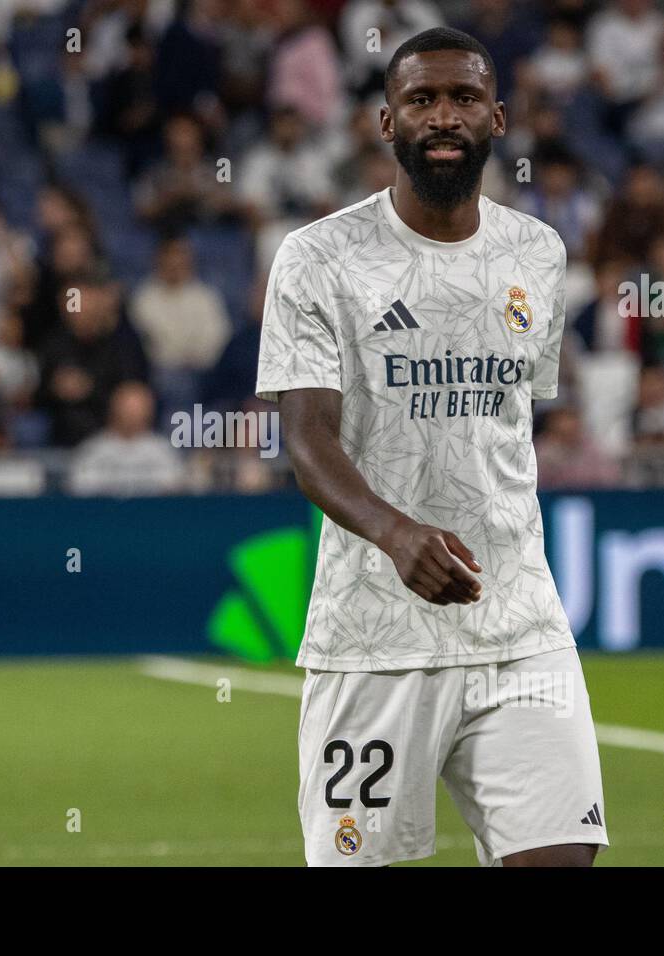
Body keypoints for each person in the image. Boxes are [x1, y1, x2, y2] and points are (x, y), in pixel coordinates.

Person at [255, 28, 607, 868]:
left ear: (499, 117)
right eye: (421, 100)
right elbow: (307, 440)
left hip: (521, 625)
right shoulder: (317, 259)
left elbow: (504, 426)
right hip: (375, 640)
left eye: (462, 98)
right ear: (385, 122)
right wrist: (396, 532)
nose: (443, 116)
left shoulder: (537, 253)